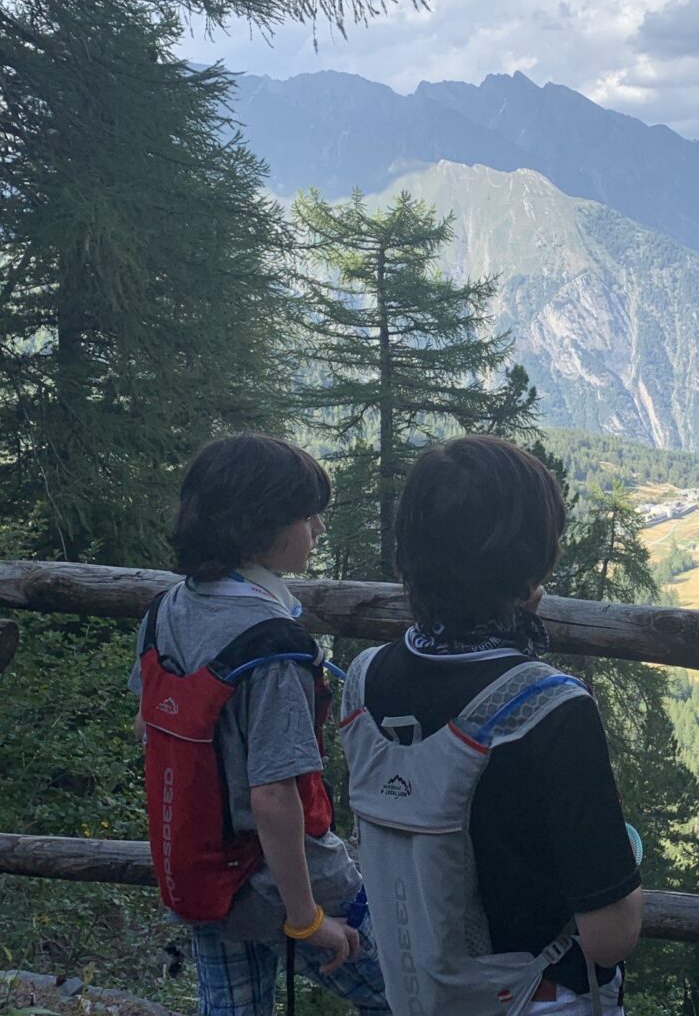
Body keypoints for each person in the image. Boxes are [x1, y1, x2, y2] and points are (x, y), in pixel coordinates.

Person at [341, 434, 643, 1016]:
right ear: (531, 565)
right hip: (537, 997)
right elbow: (612, 936)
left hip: (417, 997)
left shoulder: (365, 679)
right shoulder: (552, 707)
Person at [130, 433, 387, 1016]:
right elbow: (274, 796)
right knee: (404, 995)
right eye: (306, 515)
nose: (318, 529)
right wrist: (307, 919)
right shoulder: (273, 647)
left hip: (204, 878)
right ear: (258, 526)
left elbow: (149, 728)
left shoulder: (166, 608)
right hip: (292, 887)